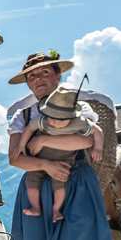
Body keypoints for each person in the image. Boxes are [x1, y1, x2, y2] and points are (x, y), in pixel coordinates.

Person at [5, 51, 120, 240]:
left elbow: (85, 142)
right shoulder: (22, 114)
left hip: (77, 185)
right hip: (36, 187)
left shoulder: (78, 107)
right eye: (32, 76)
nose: (39, 80)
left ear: (57, 76)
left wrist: (44, 144)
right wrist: (44, 165)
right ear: (27, 83)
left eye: (45, 74)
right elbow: (15, 158)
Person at [16, 85, 103, 222]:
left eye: (60, 119)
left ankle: (56, 209)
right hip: (39, 159)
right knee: (31, 181)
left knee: (59, 184)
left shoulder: (79, 123)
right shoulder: (44, 122)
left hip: (64, 160)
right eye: (51, 117)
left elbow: (97, 131)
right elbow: (29, 128)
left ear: (70, 117)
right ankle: (35, 207)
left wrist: (98, 148)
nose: (54, 122)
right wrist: (21, 144)